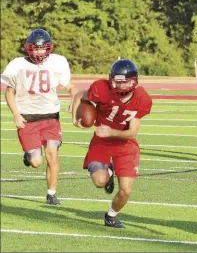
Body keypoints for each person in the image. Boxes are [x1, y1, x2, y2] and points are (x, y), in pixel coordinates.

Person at [71, 58, 152, 228]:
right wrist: (74, 118)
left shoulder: (142, 98)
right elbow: (79, 95)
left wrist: (111, 131)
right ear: (111, 79)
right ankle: (108, 170)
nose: (121, 86)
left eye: (126, 82)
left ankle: (111, 216)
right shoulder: (102, 89)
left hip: (125, 145)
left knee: (125, 191)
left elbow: (132, 133)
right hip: (101, 143)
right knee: (100, 181)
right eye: (117, 82)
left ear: (134, 81)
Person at [1, 28, 77, 205]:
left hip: (51, 118)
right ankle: (28, 155)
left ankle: (51, 194)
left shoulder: (58, 62)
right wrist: (16, 114)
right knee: (36, 162)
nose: (38, 52)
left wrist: (74, 100)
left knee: (52, 153)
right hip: (27, 119)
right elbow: (9, 93)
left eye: (41, 48)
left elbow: (71, 87)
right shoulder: (17, 64)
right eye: (34, 48)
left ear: (48, 48)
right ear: (29, 48)